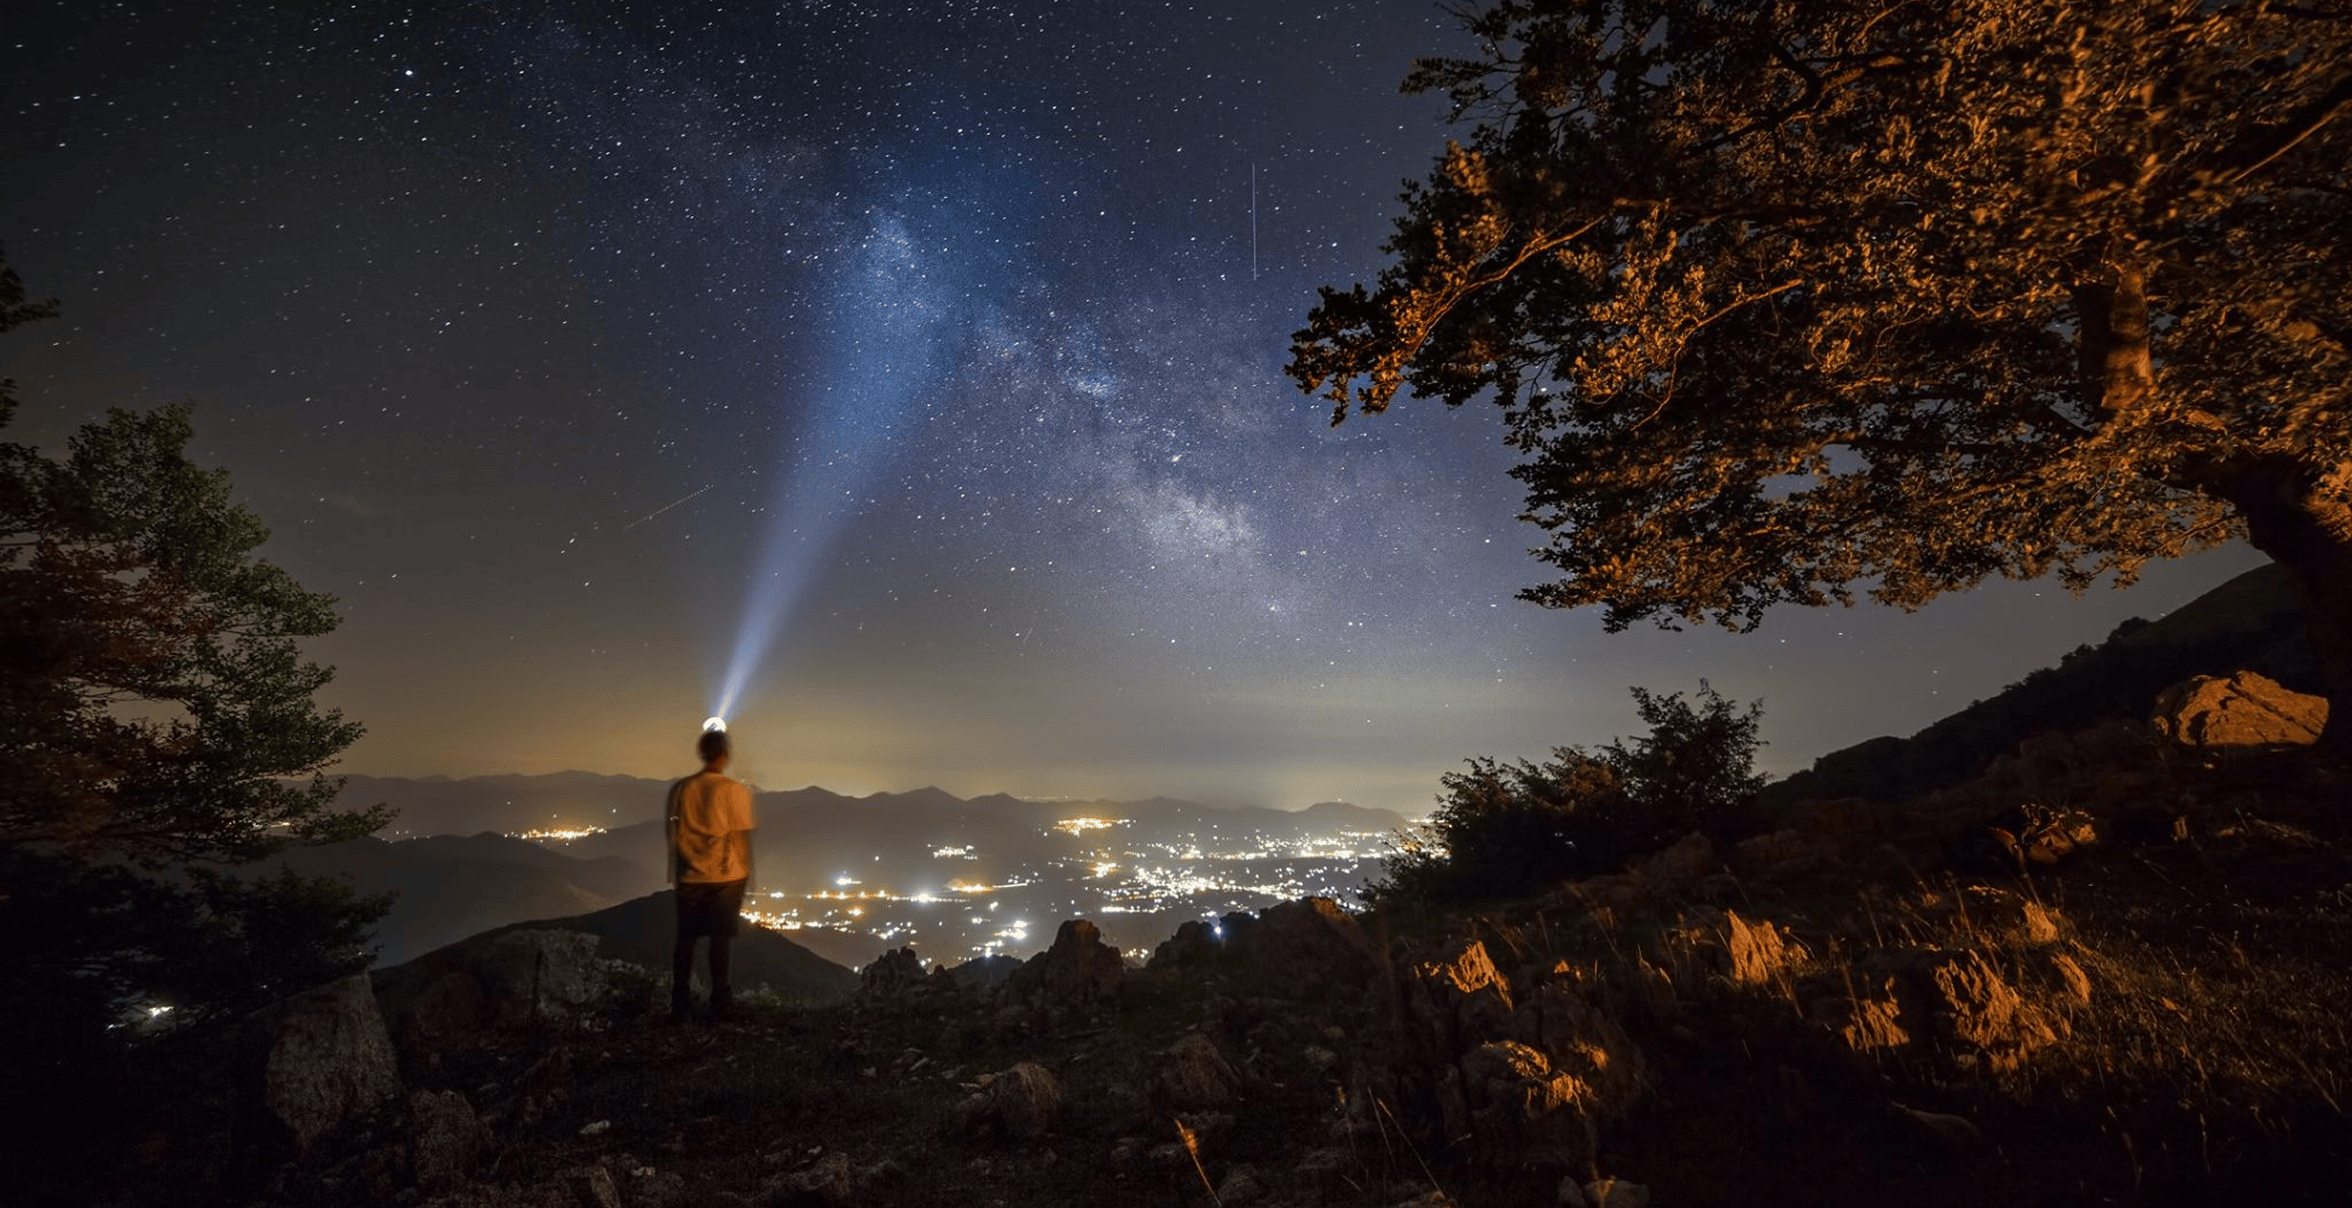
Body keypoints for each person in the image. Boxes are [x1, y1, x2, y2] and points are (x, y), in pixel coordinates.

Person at [667, 726, 755, 1021]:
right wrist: (747, 875)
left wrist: (678, 870)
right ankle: (720, 1002)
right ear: (726, 755)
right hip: (726, 877)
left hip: (690, 875)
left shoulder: (682, 789)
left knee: (686, 939)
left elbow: (674, 833)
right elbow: (741, 837)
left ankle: (679, 1002)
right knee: (721, 940)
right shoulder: (736, 791)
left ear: (701, 753)